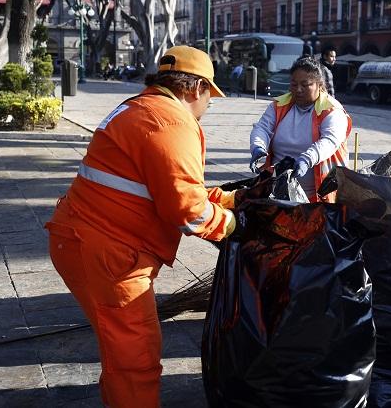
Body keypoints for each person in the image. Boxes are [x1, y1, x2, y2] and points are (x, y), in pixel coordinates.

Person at [45, 46, 264, 408]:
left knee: (121, 348)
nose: (208, 105)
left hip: (86, 239)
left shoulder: (140, 107)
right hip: (108, 253)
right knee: (135, 359)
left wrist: (230, 198)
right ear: (195, 88)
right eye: (210, 94)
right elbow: (189, 211)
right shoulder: (171, 122)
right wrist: (236, 224)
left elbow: (163, 182)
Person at [249, 56, 351, 202]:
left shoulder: (332, 111)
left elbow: (330, 141)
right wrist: (257, 147)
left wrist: (307, 159)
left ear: (319, 85)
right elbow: (262, 128)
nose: (298, 90)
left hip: (320, 198)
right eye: (293, 84)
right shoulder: (279, 106)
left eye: (305, 84)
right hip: (280, 192)